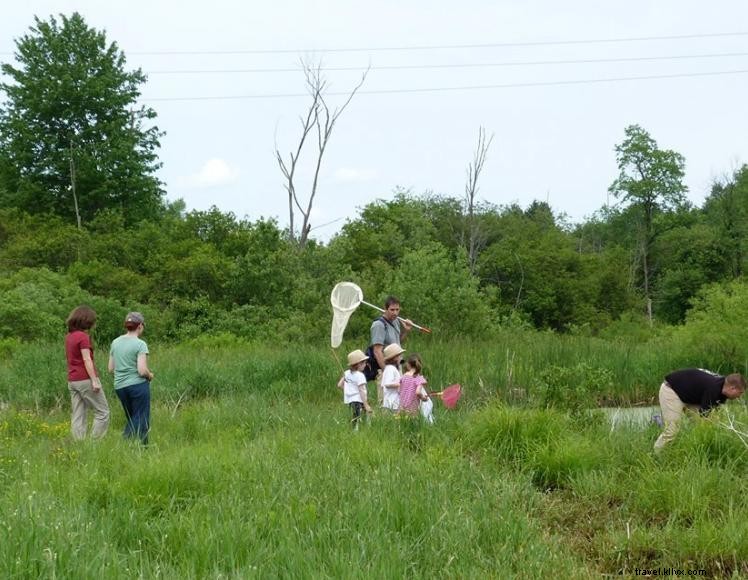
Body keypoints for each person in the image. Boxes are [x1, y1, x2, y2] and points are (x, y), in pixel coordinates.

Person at [654, 368, 746, 451]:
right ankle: (657, 455)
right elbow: (704, 414)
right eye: (740, 393)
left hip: (689, 395)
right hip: (672, 390)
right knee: (672, 430)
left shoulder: (723, 390)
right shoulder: (713, 388)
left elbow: (712, 414)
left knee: (704, 428)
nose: (739, 396)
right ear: (732, 388)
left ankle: (695, 451)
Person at [65, 305, 110, 440]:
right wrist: (94, 380)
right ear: (87, 321)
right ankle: (94, 443)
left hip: (73, 380)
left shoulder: (69, 336)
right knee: (103, 412)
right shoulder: (83, 337)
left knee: (78, 413)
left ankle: (79, 444)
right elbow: (87, 359)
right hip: (85, 379)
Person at [109, 312, 154, 445]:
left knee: (133, 417)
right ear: (140, 326)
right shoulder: (140, 344)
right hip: (138, 386)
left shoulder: (115, 342)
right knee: (141, 417)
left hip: (120, 387)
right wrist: (150, 375)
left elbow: (111, 368)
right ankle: (125, 441)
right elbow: (141, 370)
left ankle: (142, 446)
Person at [368, 296, 413, 402]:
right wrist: (386, 371)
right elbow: (377, 351)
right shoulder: (378, 325)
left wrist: (406, 331)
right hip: (385, 367)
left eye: (397, 310)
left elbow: (397, 343)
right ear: (385, 309)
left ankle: (398, 419)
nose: (395, 313)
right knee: (386, 400)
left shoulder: (396, 321)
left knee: (398, 399)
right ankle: (384, 419)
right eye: (392, 310)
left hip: (397, 365)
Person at [337, 349, 372, 430]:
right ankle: (357, 432)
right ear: (359, 364)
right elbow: (361, 390)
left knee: (355, 416)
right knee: (359, 417)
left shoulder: (346, 373)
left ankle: (361, 430)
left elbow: (339, 385)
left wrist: (348, 391)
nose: (365, 364)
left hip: (350, 400)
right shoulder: (360, 375)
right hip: (359, 400)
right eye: (364, 362)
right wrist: (366, 404)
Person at [399, 353, 431, 422]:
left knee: (403, 425)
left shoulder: (403, 376)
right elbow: (418, 392)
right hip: (412, 409)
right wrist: (423, 398)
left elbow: (399, 389)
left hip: (402, 407)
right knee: (412, 428)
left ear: (408, 365)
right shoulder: (418, 378)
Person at [380, 343, 404, 412]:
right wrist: (401, 384)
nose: (401, 358)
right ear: (395, 357)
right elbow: (387, 384)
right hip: (391, 404)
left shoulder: (391, 368)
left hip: (392, 403)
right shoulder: (390, 369)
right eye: (399, 356)